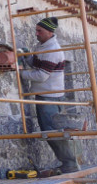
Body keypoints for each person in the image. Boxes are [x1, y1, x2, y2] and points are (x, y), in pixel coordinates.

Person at [19, 17, 79, 173]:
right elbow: (38, 64)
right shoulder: (43, 46)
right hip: (47, 95)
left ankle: (70, 164)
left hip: (50, 97)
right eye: (36, 30)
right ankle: (69, 162)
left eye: (40, 31)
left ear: (50, 32)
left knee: (52, 132)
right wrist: (28, 57)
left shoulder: (53, 50)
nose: (36, 34)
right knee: (52, 131)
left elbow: (41, 75)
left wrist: (20, 73)